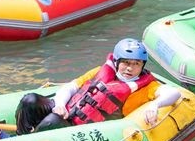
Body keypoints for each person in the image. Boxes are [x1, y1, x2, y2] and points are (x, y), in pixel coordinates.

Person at [10, 37, 179, 134]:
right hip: (68, 110)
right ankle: (21, 136)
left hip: (83, 127)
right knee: (29, 100)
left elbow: (174, 93)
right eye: (126, 63)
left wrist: (156, 104)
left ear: (142, 66)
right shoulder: (100, 72)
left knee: (52, 122)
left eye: (136, 64)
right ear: (116, 61)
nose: (130, 68)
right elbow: (71, 87)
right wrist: (60, 105)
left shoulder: (147, 87)